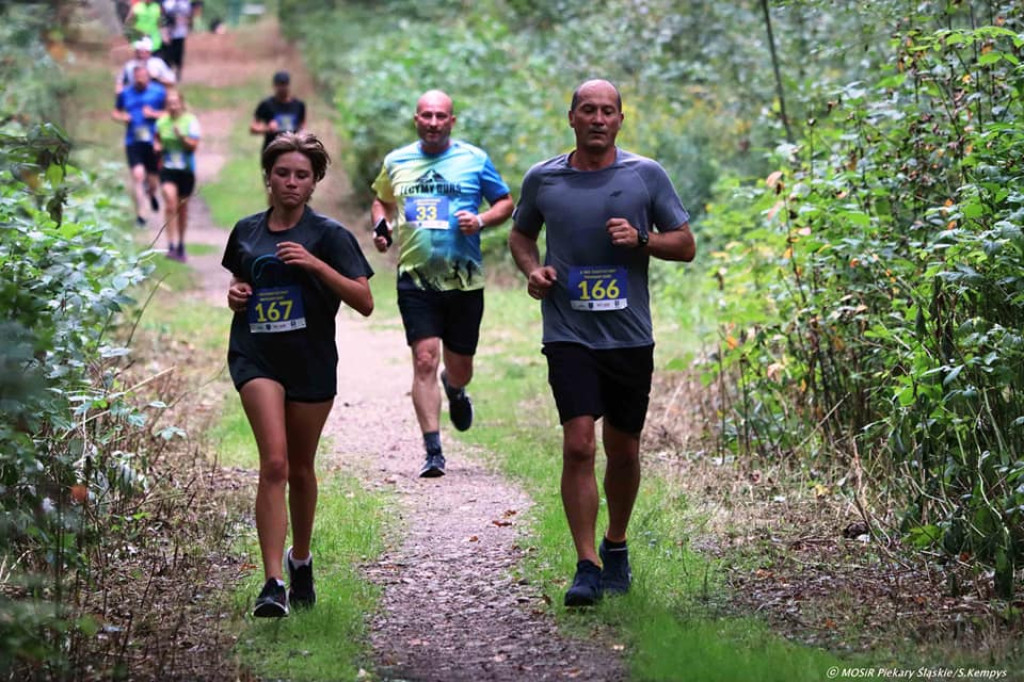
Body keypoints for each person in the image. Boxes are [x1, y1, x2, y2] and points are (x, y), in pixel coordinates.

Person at [508, 79, 696, 607]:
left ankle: (617, 544)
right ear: (570, 117)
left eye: (607, 111)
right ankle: (586, 564)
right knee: (578, 444)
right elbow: (521, 235)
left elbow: (685, 245)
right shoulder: (543, 178)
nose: (597, 118)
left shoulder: (645, 175)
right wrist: (533, 270)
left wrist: (641, 239)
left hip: (629, 336)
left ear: (620, 119)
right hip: (568, 331)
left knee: (624, 449)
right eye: (587, 110)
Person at [222, 131, 374, 618]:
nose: (290, 182)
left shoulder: (329, 236)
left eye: (301, 176)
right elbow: (240, 280)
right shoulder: (246, 230)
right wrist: (237, 294)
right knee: (275, 463)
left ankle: (300, 559)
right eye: (282, 173)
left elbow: (364, 300)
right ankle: (271, 583)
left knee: (302, 469)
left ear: (314, 183)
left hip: (309, 359)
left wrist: (313, 264)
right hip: (256, 355)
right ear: (268, 178)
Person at [371, 90, 514, 478]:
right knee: (424, 359)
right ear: (416, 119)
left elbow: (505, 202)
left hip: (465, 281)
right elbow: (381, 201)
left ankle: (455, 388)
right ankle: (433, 451)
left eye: (441, 116)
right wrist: (380, 228)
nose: (433, 122)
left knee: (460, 366)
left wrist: (481, 221)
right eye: (426, 116)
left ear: (451, 122)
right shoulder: (397, 161)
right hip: (415, 278)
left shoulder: (474, 160)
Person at [112, 64, 167, 227]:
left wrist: (153, 114)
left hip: (153, 141)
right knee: (137, 176)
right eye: (137, 78)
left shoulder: (159, 92)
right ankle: (141, 215)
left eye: (143, 77)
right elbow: (115, 112)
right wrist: (123, 117)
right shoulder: (125, 93)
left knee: (152, 180)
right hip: (133, 140)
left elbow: (169, 113)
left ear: (148, 77)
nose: (140, 80)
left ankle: (151, 194)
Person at [154, 89, 200, 261]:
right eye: (169, 103)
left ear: (181, 103)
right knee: (170, 203)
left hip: (186, 170)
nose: (172, 106)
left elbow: (193, 146)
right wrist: (157, 145)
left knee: (182, 208)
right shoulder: (161, 122)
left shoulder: (190, 121)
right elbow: (157, 138)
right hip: (167, 169)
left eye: (175, 102)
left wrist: (182, 137)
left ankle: (181, 244)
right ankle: (171, 245)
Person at [250, 71, 306, 152]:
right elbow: (253, 127)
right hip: (272, 150)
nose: (282, 88)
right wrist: (267, 129)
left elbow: (303, 126)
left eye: (284, 84)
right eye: (279, 84)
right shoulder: (266, 105)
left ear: (288, 85)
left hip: (293, 150)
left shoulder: (299, 105)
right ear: (274, 86)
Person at [161, 0, 192, 80]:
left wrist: (187, 25)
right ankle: (168, 74)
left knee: (179, 56)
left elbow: (189, 16)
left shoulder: (185, 3)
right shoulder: (168, 3)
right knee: (168, 56)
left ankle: (178, 75)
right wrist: (165, 32)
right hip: (169, 34)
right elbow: (162, 17)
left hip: (180, 33)